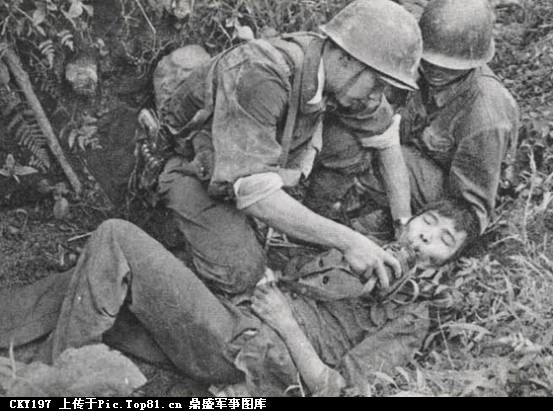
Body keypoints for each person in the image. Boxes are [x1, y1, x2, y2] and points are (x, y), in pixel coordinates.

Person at [0, 199, 477, 397]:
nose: (425, 236)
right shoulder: (364, 251)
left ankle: (50, 383)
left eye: (443, 239)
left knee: (115, 238)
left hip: (251, 355)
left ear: (445, 265)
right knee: (94, 281)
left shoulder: (411, 315)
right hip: (234, 318)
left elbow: (337, 391)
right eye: (427, 222)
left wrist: (285, 322)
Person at [145, 0, 423, 296]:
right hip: (194, 164)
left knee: (352, 145)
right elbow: (254, 195)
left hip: (257, 154)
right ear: (345, 59)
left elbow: (386, 140)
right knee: (242, 274)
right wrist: (349, 241)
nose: (378, 96)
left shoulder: (340, 74)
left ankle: (301, 226)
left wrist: (403, 225)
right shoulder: (262, 73)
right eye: (377, 83)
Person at [309, 0, 519, 240]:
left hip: (442, 191)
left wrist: (438, 240)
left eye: (448, 67)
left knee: (380, 157)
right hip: (397, 150)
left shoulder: (487, 115)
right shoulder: (413, 60)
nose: (434, 70)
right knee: (342, 137)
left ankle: (357, 217)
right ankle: (321, 209)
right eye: (428, 60)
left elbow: (471, 211)